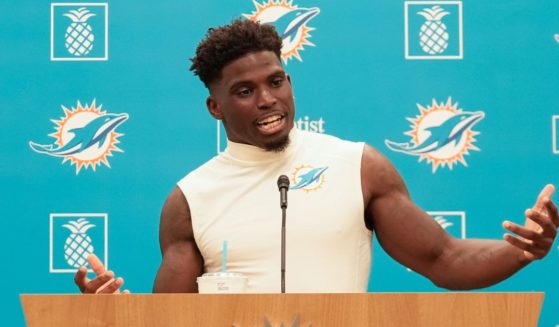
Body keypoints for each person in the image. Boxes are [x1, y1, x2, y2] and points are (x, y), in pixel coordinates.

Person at [74, 19, 559, 294]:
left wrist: (521, 251)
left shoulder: (358, 165)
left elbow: (444, 257)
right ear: (215, 107)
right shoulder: (189, 199)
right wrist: (114, 310)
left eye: (276, 82)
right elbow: (171, 319)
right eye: (244, 91)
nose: (267, 99)